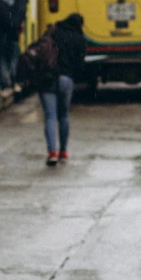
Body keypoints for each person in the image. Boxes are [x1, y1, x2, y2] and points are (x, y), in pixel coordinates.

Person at [39, 11, 87, 166]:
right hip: (67, 80)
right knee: (64, 116)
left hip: (47, 79)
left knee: (50, 117)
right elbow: (80, 64)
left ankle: (52, 152)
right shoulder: (79, 38)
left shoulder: (54, 33)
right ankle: (64, 151)